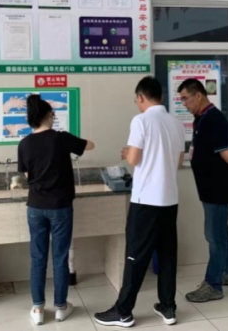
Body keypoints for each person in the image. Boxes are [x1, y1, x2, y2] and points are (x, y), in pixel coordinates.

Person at [94, 76, 185, 328]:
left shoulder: (141, 120)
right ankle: (168, 307)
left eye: (136, 100)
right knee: (167, 255)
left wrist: (126, 153)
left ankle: (123, 311)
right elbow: (179, 161)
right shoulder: (176, 123)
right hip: (170, 200)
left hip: (146, 201)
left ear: (141, 97)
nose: (137, 104)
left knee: (135, 254)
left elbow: (134, 159)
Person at [18, 94, 95, 326]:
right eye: (53, 115)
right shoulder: (61, 138)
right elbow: (89, 145)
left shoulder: (24, 144)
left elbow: (28, 176)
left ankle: (38, 309)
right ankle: (61, 307)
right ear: (49, 116)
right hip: (60, 206)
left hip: (35, 207)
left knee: (37, 257)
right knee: (60, 257)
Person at [177, 78, 228, 304]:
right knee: (221, 231)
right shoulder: (202, 118)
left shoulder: (214, 119)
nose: (184, 104)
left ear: (199, 95)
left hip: (218, 188)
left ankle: (213, 285)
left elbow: (227, 153)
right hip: (210, 187)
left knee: (214, 235)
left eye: (185, 99)